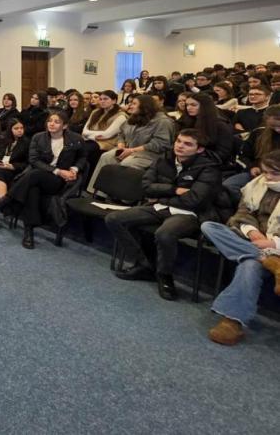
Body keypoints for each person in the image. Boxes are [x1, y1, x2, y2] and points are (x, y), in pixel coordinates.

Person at [105, 129, 221, 300]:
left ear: (200, 149)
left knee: (165, 234)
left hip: (188, 213)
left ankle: (164, 275)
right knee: (114, 219)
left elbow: (194, 199)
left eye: (187, 144)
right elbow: (146, 186)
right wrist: (174, 190)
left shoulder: (209, 169)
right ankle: (145, 265)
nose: (180, 146)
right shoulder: (164, 159)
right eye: (179, 141)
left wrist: (161, 196)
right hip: (159, 207)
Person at [201, 150, 280, 346]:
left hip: (276, 246)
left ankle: (232, 321)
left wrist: (273, 244)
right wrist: (252, 232)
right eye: (265, 172)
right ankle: (268, 261)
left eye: (274, 173)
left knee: (250, 264)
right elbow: (242, 214)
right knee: (209, 227)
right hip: (251, 240)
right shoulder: (256, 185)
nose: (267, 177)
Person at [0, 111, 86, 249]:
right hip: (45, 174)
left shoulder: (76, 139)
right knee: (32, 189)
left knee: (34, 176)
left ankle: (4, 202)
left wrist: (74, 169)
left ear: (65, 126)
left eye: (56, 122)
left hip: (58, 181)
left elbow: (82, 157)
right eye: (50, 121)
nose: (51, 124)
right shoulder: (38, 137)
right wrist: (58, 170)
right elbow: (34, 160)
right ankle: (28, 233)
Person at [87, 95, 174, 194]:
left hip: (151, 154)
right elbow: (121, 133)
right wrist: (121, 144)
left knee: (127, 163)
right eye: (130, 103)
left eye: (134, 104)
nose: (130, 106)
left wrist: (132, 150)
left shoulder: (163, 121)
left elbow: (161, 144)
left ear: (145, 106)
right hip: (129, 150)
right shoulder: (133, 118)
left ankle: (122, 197)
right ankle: (98, 193)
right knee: (106, 157)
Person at [223, 105, 280, 202]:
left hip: (276, 173)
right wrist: (252, 167)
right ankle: (247, 206)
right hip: (260, 172)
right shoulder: (258, 133)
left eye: (279, 126)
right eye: (273, 127)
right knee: (229, 185)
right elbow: (243, 156)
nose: (277, 130)